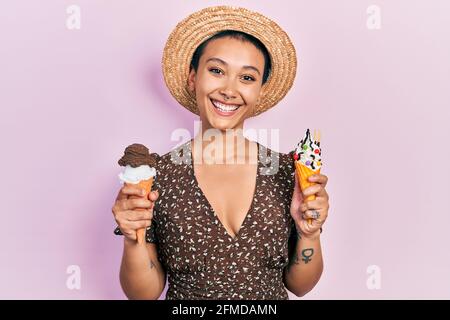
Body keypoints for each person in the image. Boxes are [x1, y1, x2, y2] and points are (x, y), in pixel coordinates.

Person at [112, 5, 329, 300]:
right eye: (216, 71)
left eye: (247, 78)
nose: (229, 89)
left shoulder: (285, 171)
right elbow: (143, 295)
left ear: (261, 91)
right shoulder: (158, 176)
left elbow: (300, 285)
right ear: (193, 78)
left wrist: (309, 233)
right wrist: (132, 238)